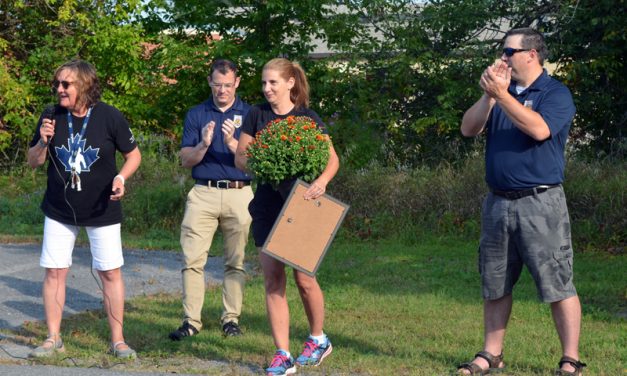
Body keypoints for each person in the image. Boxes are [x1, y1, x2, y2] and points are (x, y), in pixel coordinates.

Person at [457, 28, 585, 375]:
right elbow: (468, 129)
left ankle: (570, 358)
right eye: (502, 51)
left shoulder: (555, 93)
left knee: (557, 282)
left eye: (509, 52)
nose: (503, 58)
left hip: (540, 203)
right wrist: (489, 97)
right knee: (495, 281)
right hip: (498, 203)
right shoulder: (501, 93)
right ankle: (491, 354)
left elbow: (540, 129)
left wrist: (503, 96)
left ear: (532, 54)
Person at [27, 60, 141, 359]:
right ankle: (53, 338)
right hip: (59, 208)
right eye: (57, 84)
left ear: (85, 86)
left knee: (110, 273)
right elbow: (33, 161)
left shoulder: (108, 116)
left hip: (102, 207)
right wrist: (42, 140)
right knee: (55, 272)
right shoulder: (51, 115)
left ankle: (118, 340)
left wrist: (121, 177)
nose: (59, 89)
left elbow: (134, 155)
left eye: (66, 84)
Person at [235, 58, 340, 376]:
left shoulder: (307, 117)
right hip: (267, 204)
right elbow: (240, 159)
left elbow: (332, 160)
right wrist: (262, 161)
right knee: (272, 278)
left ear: (291, 83)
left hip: (302, 204)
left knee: (304, 279)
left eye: (273, 83)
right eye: (264, 83)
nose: (266, 89)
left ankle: (318, 339)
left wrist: (320, 183)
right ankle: (282, 354)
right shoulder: (256, 114)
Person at [169, 59, 253, 340]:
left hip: (239, 192)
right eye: (217, 85)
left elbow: (255, 163)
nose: (222, 91)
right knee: (192, 260)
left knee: (235, 261)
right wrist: (204, 144)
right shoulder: (197, 114)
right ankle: (191, 321)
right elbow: (184, 160)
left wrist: (232, 144)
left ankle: (231, 319)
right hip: (203, 192)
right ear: (210, 82)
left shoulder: (251, 114)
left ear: (237, 83)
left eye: (228, 85)